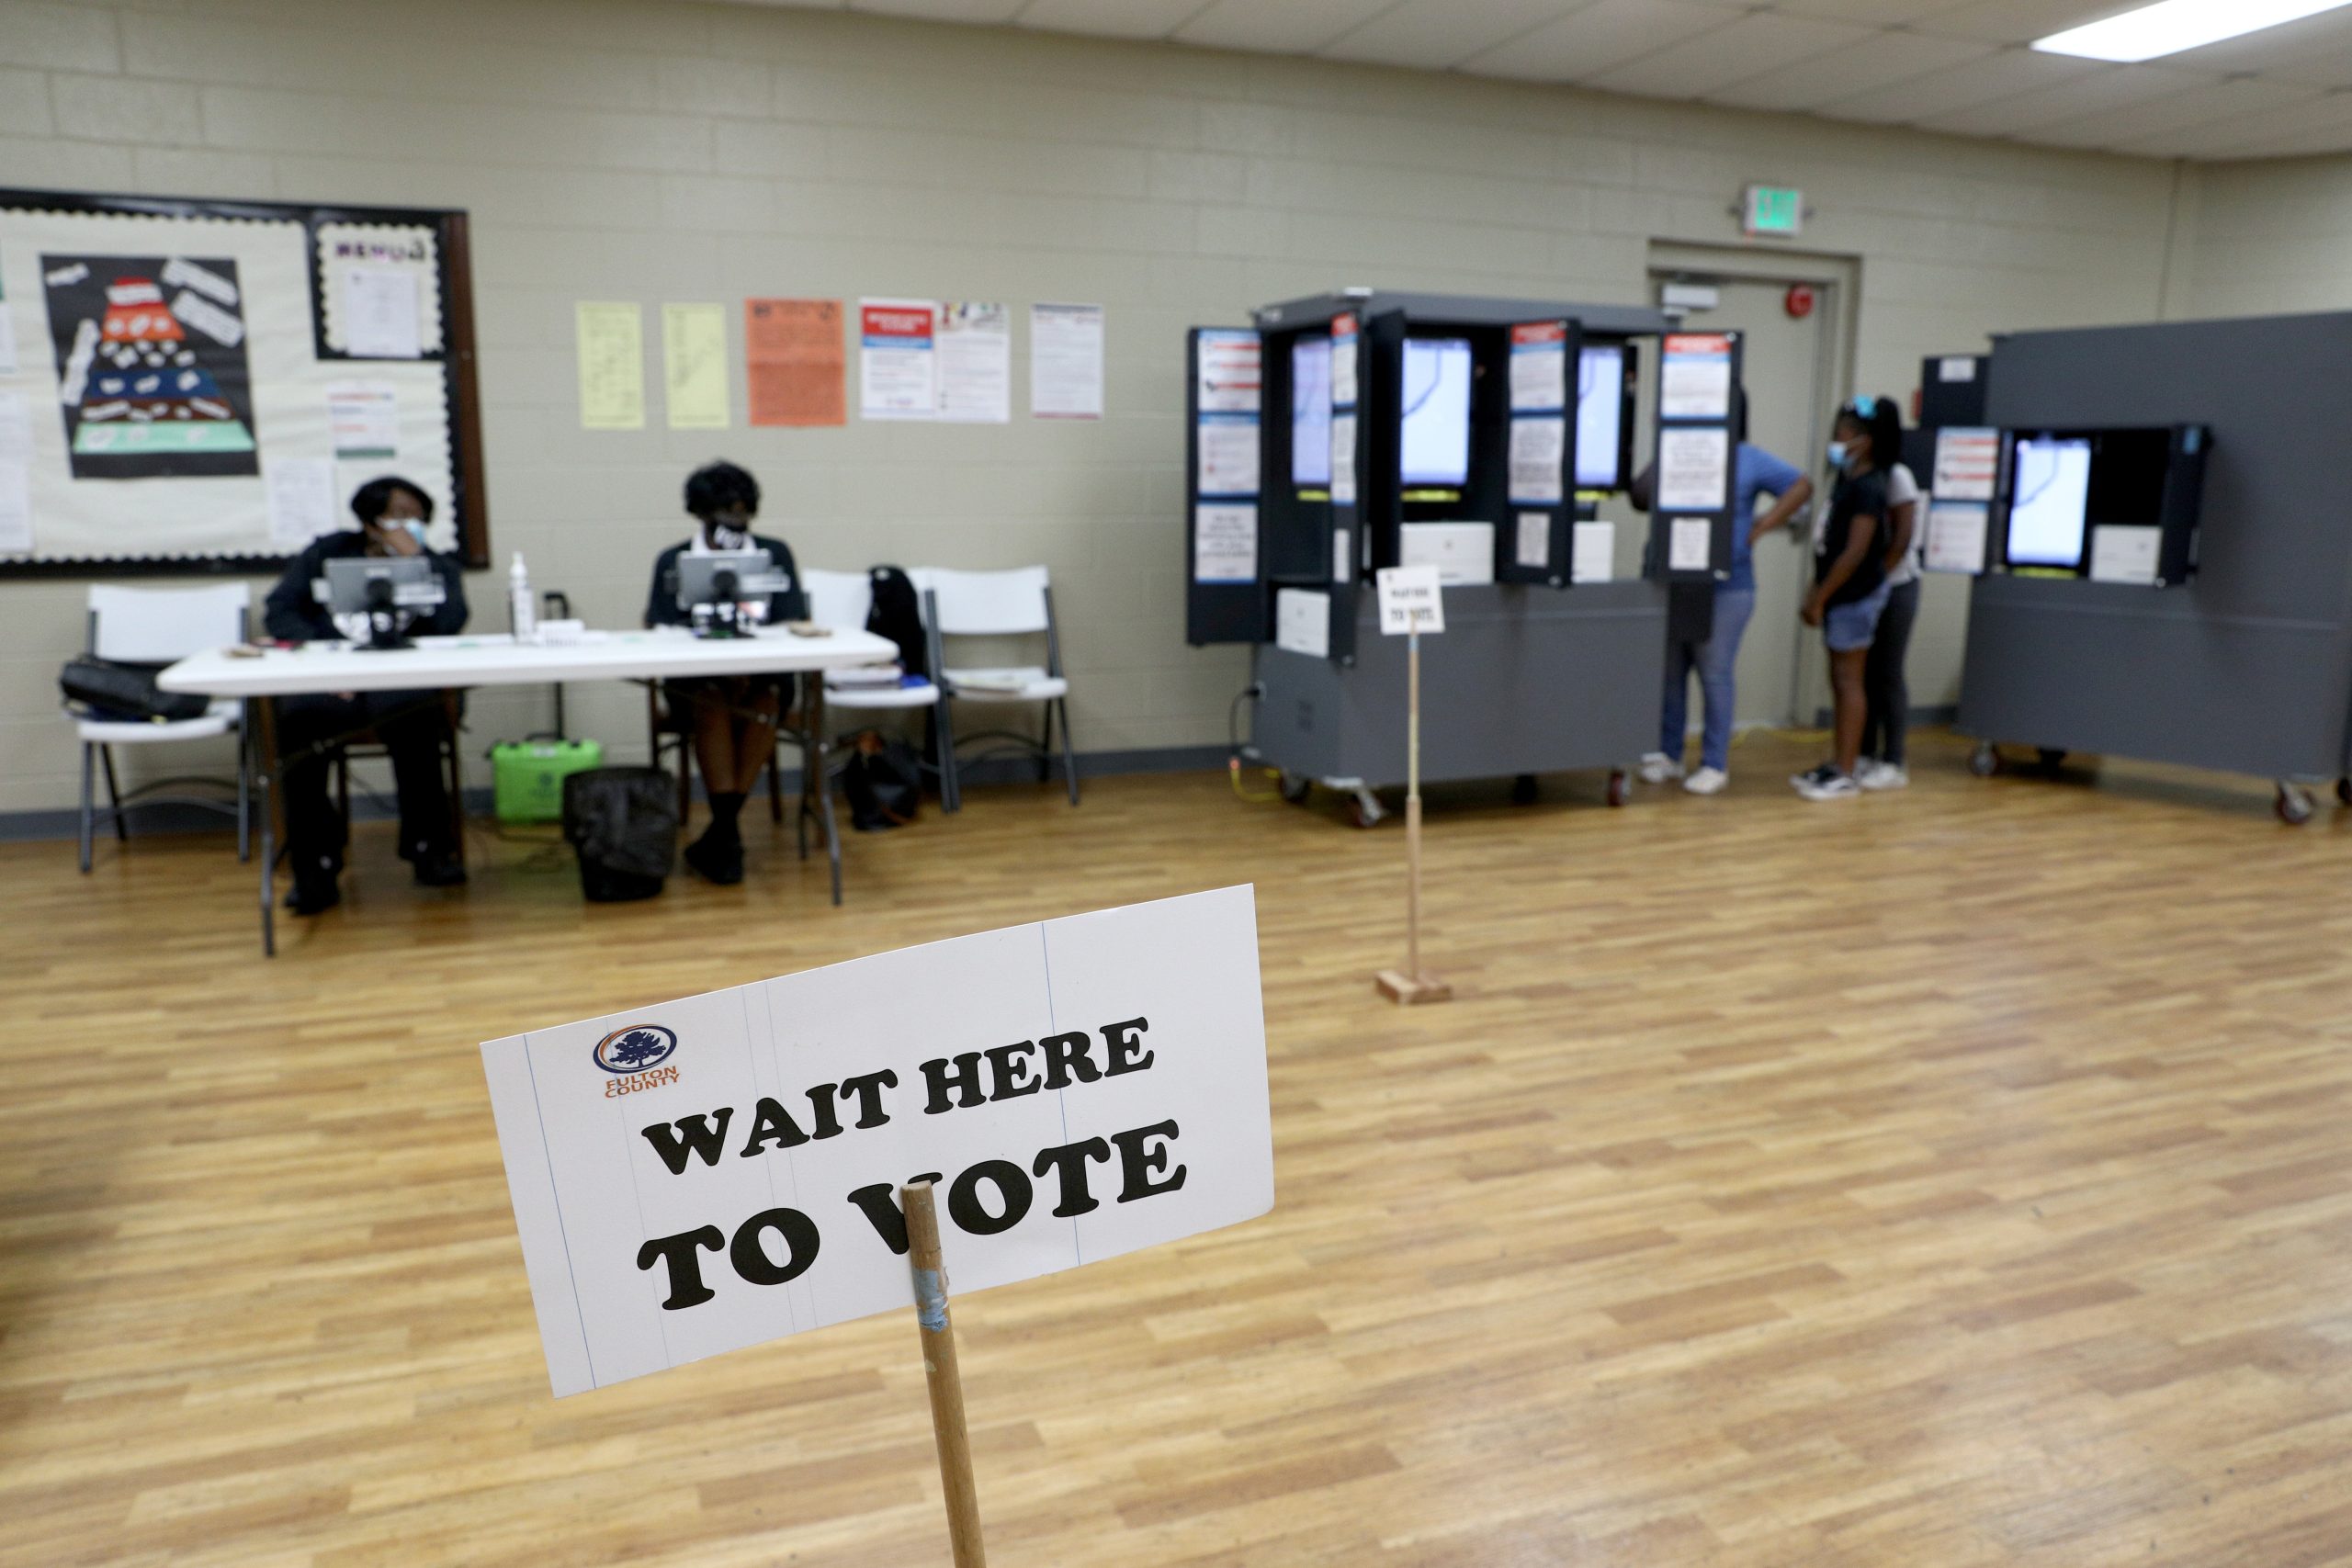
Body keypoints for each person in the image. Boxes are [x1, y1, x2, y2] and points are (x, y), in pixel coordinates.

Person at [262, 476, 469, 914]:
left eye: (417, 517)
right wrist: (322, 659)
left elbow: (451, 621)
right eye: (398, 514)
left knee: (417, 718)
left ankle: (429, 849)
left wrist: (421, 563)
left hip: (400, 677)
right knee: (299, 727)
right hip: (332, 678)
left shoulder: (434, 563)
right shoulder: (326, 553)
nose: (408, 524)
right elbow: (281, 610)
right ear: (370, 521)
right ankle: (315, 867)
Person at [1634, 392, 1813, 795]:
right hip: (1672, 579)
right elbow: (1639, 497)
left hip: (1726, 587)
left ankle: (1715, 762)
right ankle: (1668, 754)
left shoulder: (1747, 457)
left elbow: (1802, 485)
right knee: (1670, 672)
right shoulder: (1679, 452)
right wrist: (1666, 440)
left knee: (1714, 672)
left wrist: (1763, 525)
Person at [644, 460, 807, 886]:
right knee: (712, 699)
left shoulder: (775, 554)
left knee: (767, 699)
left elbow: (791, 618)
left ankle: (722, 834)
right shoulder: (674, 559)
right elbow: (661, 624)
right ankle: (727, 833)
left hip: (762, 676)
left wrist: (748, 660)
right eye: (721, 514)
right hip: (697, 682)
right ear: (700, 514)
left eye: (739, 512)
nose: (731, 522)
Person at [1792, 396, 1899, 801]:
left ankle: (1848, 771)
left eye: (1844, 435)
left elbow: (1854, 552)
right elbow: (1827, 542)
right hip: (1837, 593)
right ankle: (1839, 763)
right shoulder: (1847, 479)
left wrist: (1822, 596)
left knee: (1849, 680)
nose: (1837, 442)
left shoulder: (1871, 487)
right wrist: (1814, 588)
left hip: (1854, 595)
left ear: (1865, 441)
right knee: (1838, 680)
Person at [1858, 422, 1923, 791]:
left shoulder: (1898, 475)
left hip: (1897, 585)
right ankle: (1865, 752)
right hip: (1867, 587)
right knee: (1863, 673)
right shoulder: (1859, 473)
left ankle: (1894, 760)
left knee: (1888, 672)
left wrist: (1876, 579)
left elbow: (1902, 535)